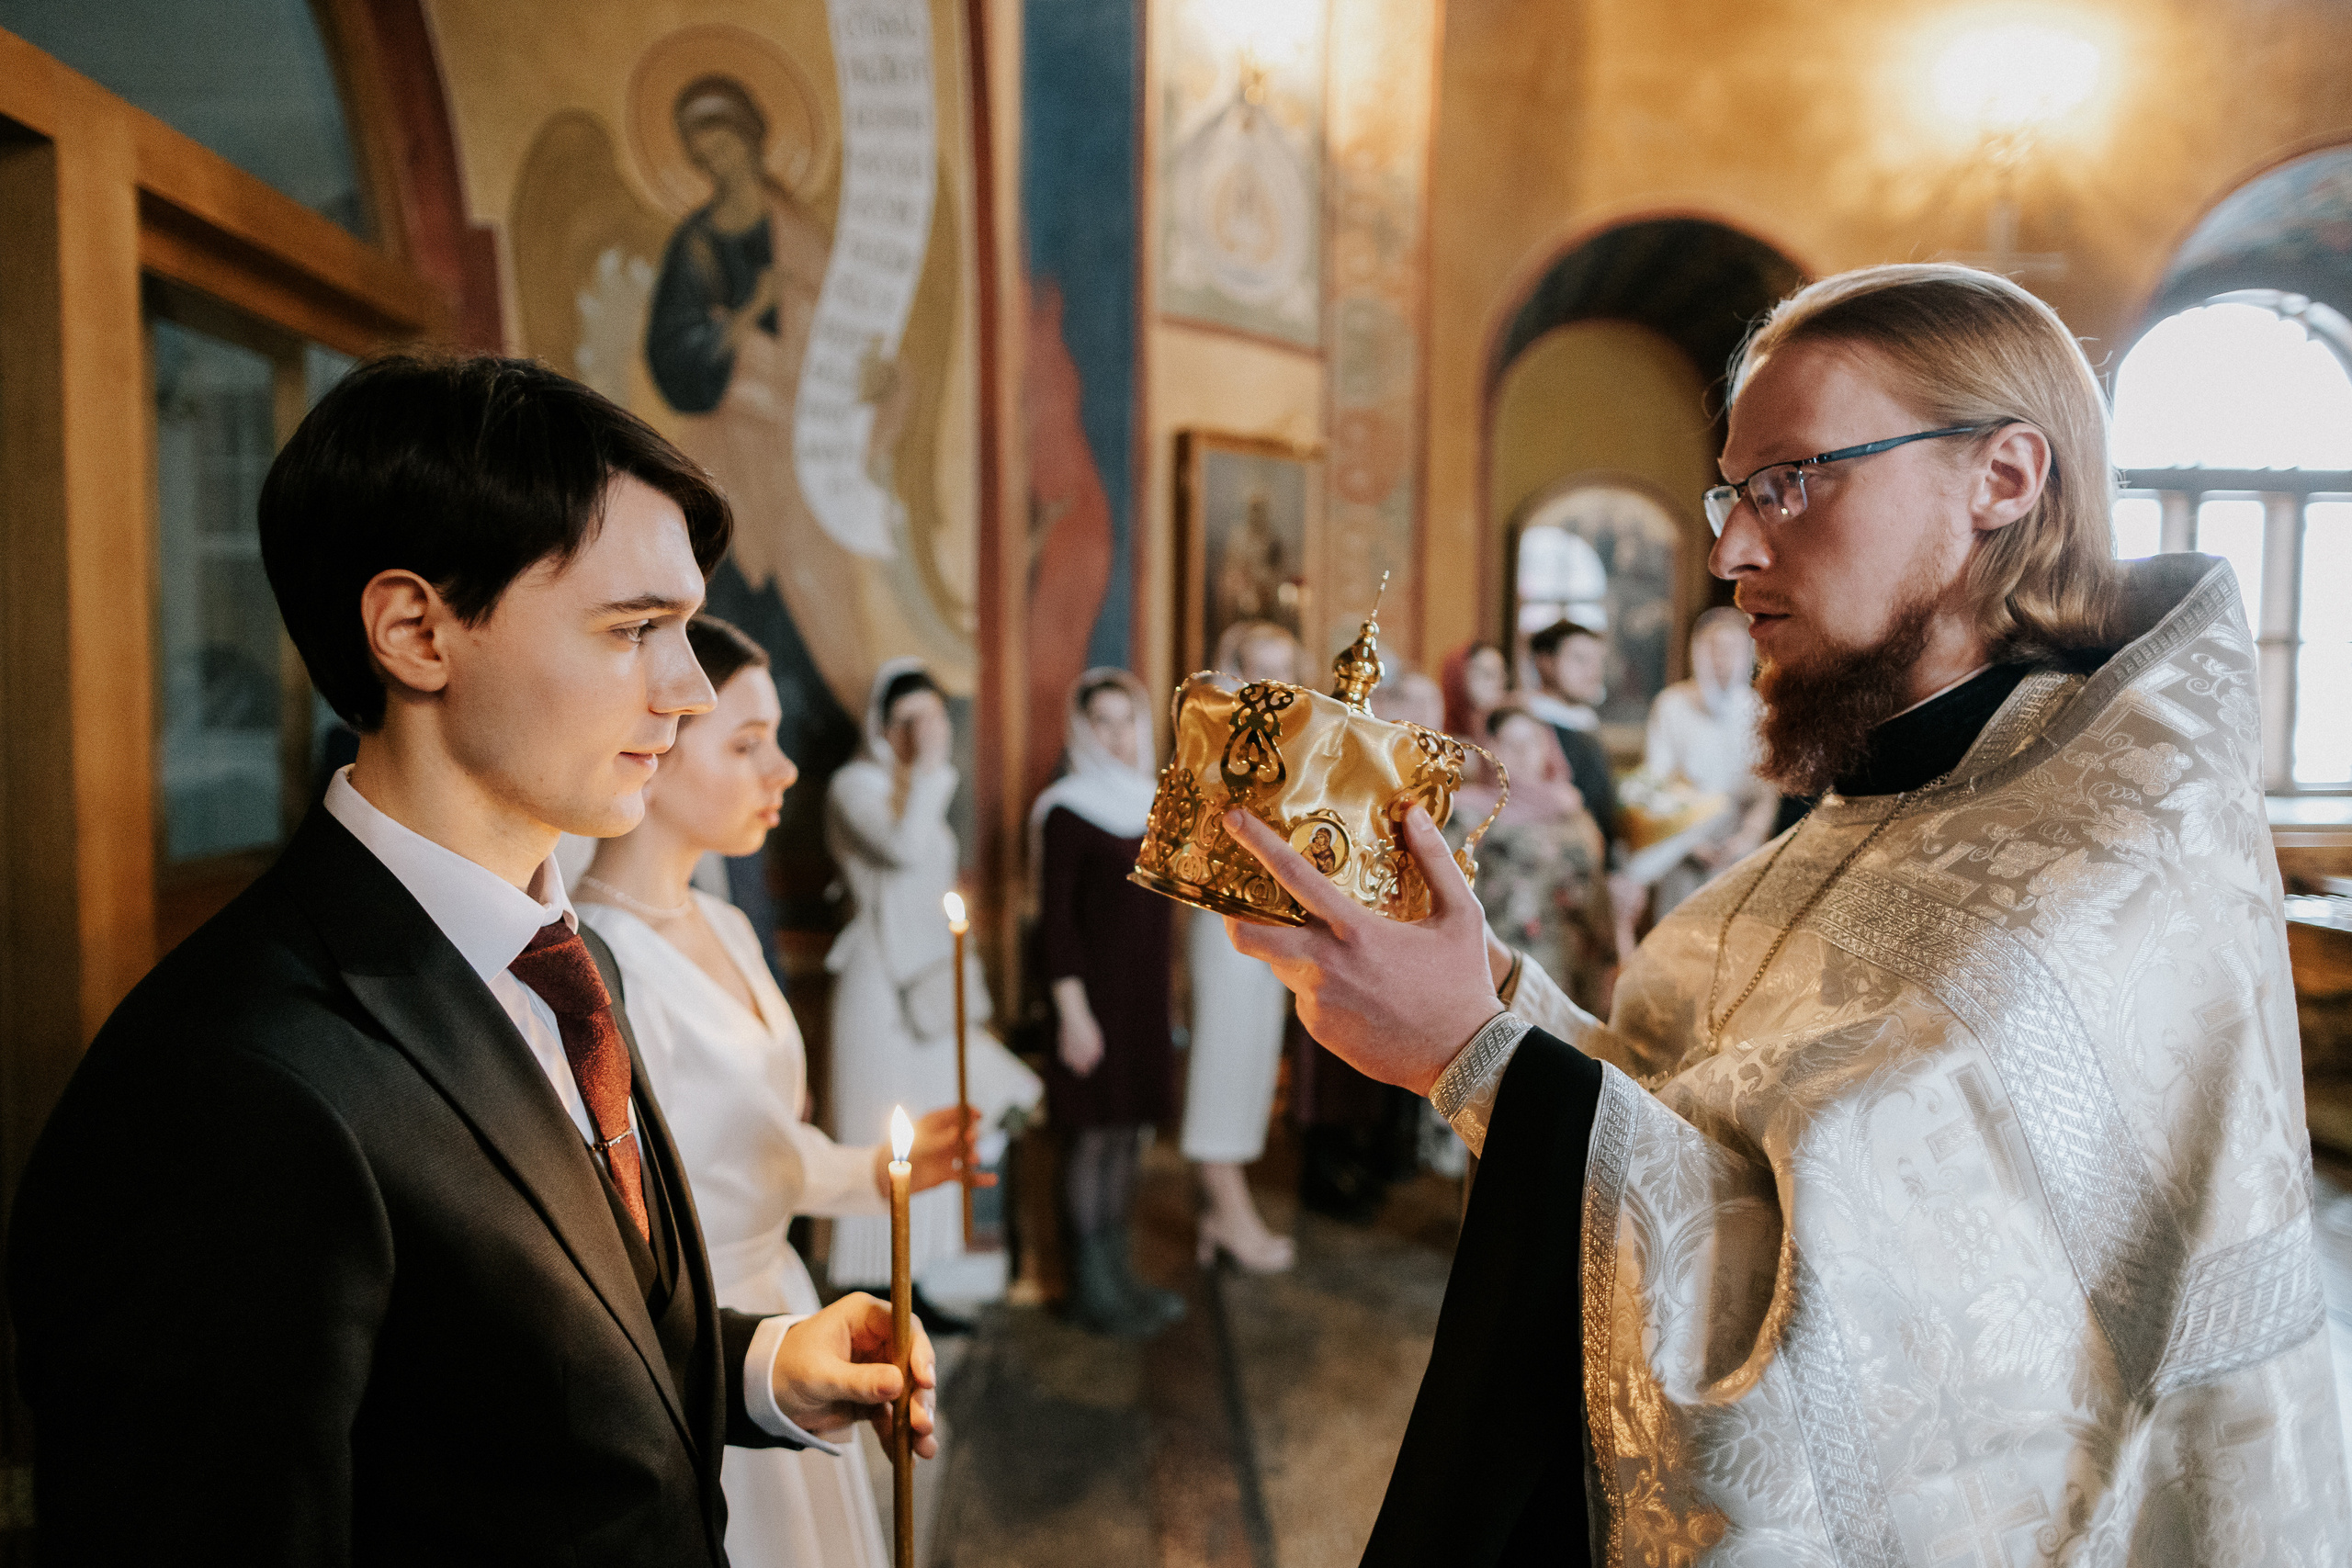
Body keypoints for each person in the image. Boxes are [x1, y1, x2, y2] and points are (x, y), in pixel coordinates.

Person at [1222, 265, 2349, 1563]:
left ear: (2003, 476)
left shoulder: (2106, 878)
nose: (1730, 551)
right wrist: (1491, 995)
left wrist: (1476, 1057)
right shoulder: (1906, 796)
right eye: (1734, 491)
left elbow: (1899, 1401)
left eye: (1793, 481)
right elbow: (1712, 1123)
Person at [7, 355, 936, 1562]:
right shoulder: (228, 1085)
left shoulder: (561, 947)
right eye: (636, 628)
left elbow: (508, 1380)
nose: (691, 689)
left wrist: (761, 1362)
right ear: (415, 631)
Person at [575, 615, 979, 1568]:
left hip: (784, 1293)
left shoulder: (725, 923)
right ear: (656, 745)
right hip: (698, 1327)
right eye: (748, 744)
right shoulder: (597, 963)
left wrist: (875, 1173)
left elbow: (752, 1144)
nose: (784, 771)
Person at [824, 660, 1042, 1325]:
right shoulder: (854, 784)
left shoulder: (915, 785)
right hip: (876, 985)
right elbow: (904, 846)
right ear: (883, 725)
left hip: (925, 982)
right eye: (909, 720)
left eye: (934, 718)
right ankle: (876, 1294)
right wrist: (926, 768)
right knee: (879, 1131)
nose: (924, 732)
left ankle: (915, 1285)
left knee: (938, 1122)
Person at [1033, 669, 1186, 1334]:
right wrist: (1072, 1014)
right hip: (1090, 1002)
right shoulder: (1066, 807)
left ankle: (1119, 1277)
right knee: (1093, 1140)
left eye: (1127, 720)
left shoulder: (1155, 800)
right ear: (1081, 728)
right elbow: (1056, 924)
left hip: (1143, 1002)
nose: (1118, 734)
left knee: (1127, 1137)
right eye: (1103, 721)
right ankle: (1088, 1290)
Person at [1179, 622, 1303, 1267]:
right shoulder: (1211, 735)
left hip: (1276, 916)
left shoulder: (1302, 740)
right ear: (1235, 671)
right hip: (1223, 912)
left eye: (1286, 668)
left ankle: (1218, 1215)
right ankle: (1229, 1209)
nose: (1275, 683)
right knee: (1223, 1063)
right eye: (1261, 668)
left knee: (1254, 1063)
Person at [1447, 707, 1613, 1013]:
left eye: (1532, 742)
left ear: (1547, 749)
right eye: (1510, 743)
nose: (1523, 753)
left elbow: (1598, 895)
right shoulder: (1467, 814)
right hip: (1504, 964)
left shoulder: (1572, 811)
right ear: (1491, 749)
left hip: (1572, 963)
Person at [1634, 605, 1779, 919]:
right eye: (1715, 649)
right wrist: (1692, 842)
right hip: (1684, 846)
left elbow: (1768, 791)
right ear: (1698, 652)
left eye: (1733, 649)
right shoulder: (1672, 704)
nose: (1723, 660)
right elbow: (1656, 781)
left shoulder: (1761, 712)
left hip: (1741, 852)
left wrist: (1746, 839)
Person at [1521, 618, 1622, 857]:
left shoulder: (1585, 721)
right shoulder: (1529, 724)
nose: (1593, 671)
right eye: (1580, 660)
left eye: (1598, 661)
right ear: (1545, 662)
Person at [1438, 640, 1510, 745]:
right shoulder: (1440, 738)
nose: (1498, 682)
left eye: (1502, 674)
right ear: (1460, 677)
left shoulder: (1509, 727)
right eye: (1487, 674)